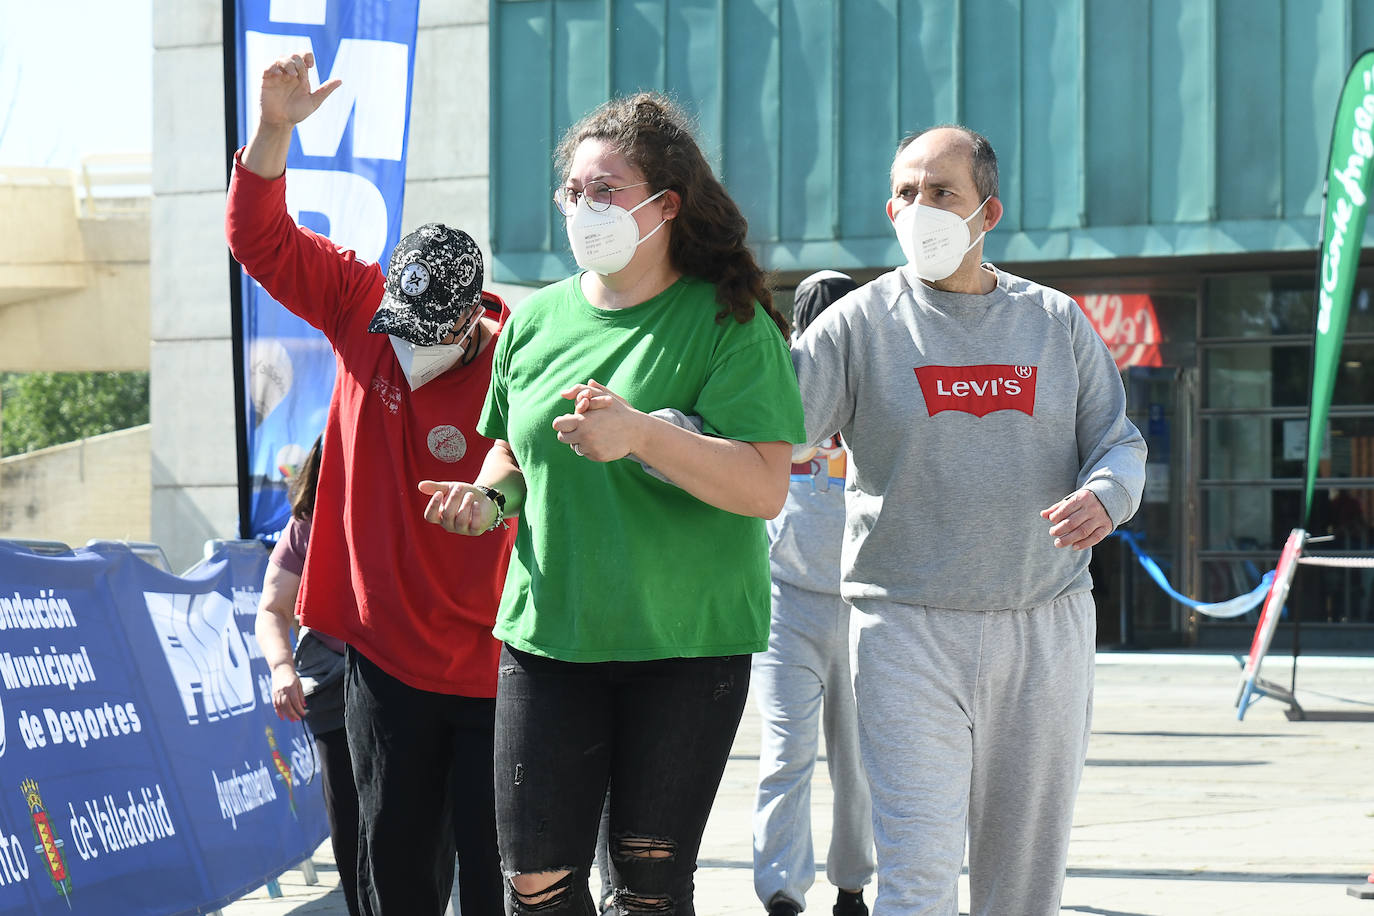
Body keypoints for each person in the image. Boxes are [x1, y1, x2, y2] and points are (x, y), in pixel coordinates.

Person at [419, 92, 806, 915]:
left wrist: (641, 436)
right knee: (532, 883)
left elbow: (766, 483)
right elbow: (509, 450)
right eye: (575, 191)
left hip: (685, 648)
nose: (586, 207)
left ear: (665, 206)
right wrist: (488, 502)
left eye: (608, 190)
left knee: (647, 894)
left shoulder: (728, 323)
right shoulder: (534, 322)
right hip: (550, 635)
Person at [789, 125, 1147, 916]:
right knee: (916, 877)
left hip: (1043, 626)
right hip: (905, 627)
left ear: (988, 212)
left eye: (941, 193)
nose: (921, 209)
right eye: (906, 195)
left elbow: (1117, 442)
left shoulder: (1055, 322)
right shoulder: (857, 326)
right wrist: (658, 430)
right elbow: (767, 426)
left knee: (1023, 882)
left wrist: (1107, 494)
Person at [226, 52, 516, 916]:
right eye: (399, 325)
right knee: (390, 879)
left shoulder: (518, 357)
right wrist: (275, 128)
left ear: (472, 319)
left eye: (428, 334)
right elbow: (259, 237)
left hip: (498, 664)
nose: (406, 347)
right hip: (383, 660)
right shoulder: (360, 305)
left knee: (500, 880)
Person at [753, 271, 873, 916]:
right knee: (785, 752)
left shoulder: (878, 384)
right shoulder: (777, 387)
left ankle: (852, 882)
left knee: (857, 763)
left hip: (862, 601)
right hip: (784, 602)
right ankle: (780, 889)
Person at [254, 434, 360, 916]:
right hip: (334, 684)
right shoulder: (306, 526)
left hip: (408, 679)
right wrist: (281, 668)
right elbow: (273, 608)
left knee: (409, 821)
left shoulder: (407, 505)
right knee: (352, 817)